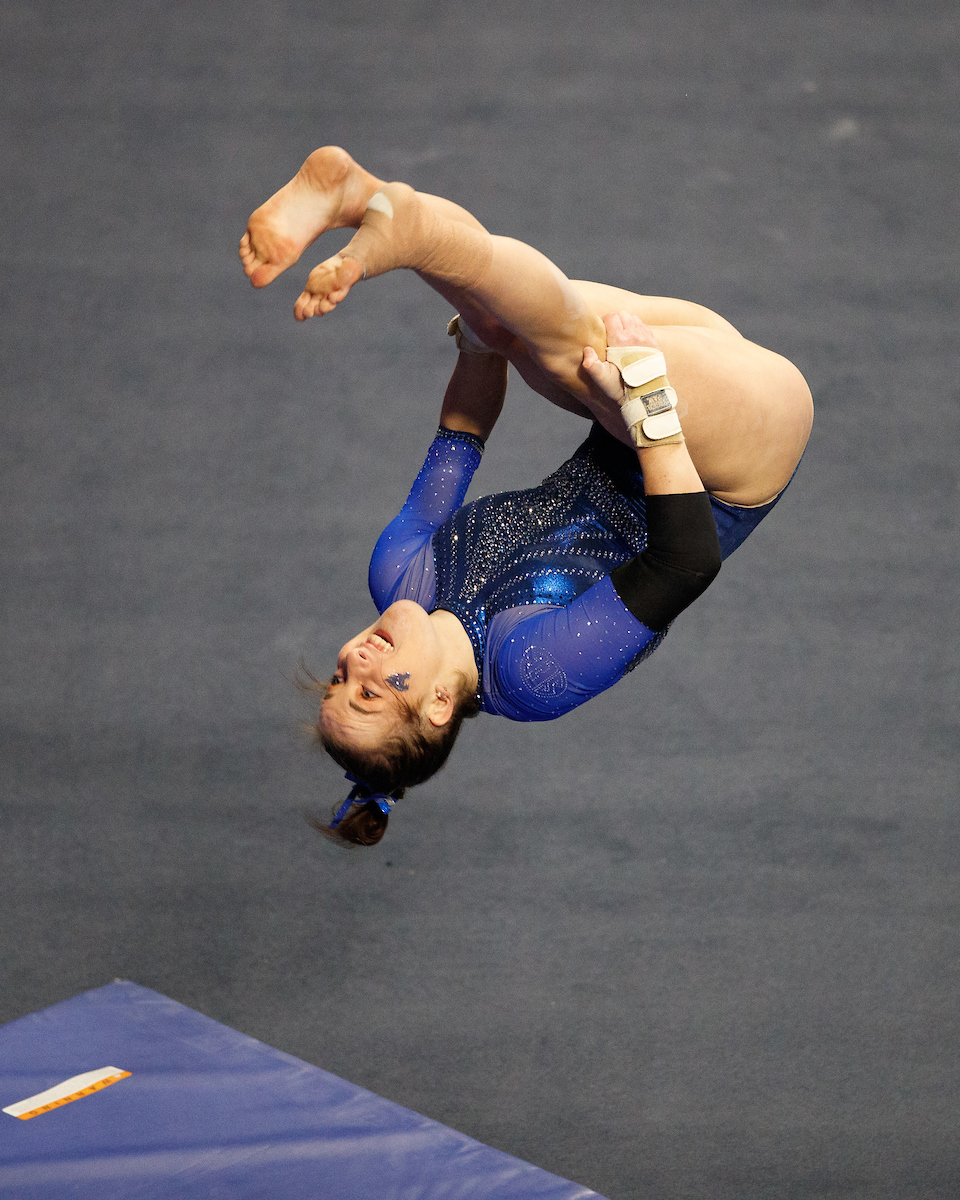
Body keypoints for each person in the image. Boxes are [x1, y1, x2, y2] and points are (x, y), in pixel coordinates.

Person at [240, 147, 813, 846]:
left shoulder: (399, 573)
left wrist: (480, 349)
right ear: (441, 704)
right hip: (726, 459)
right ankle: (392, 221)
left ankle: (368, 200)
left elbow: (462, 433)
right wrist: (649, 409)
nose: (357, 659)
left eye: (338, 674)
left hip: (641, 409)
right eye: (371, 689)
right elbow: (685, 562)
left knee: (509, 324)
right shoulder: (530, 673)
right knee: (567, 350)